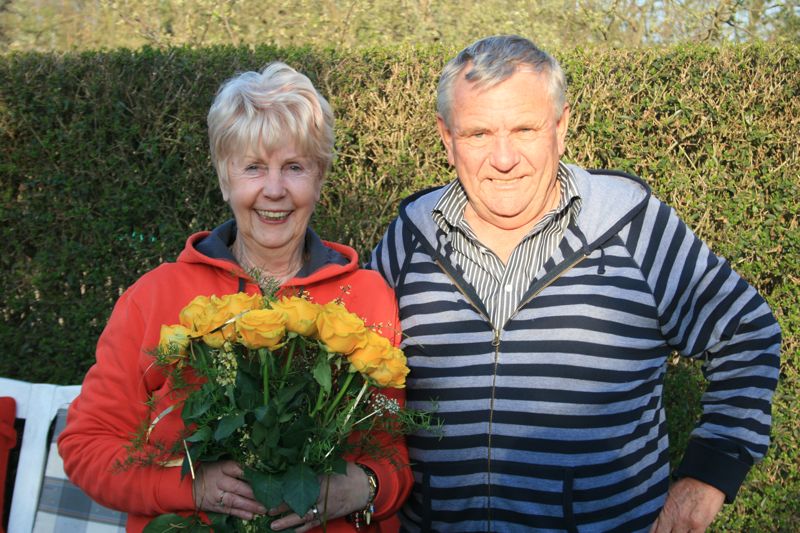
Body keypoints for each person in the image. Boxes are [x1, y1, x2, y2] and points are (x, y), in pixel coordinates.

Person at [367, 35, 781, 532]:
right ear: (446, 136)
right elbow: (351, 377)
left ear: (560, 127)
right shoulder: (411, 237)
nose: (503, 158)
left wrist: (708, 476)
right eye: (478, 134)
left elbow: (746, 332)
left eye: (525, 129)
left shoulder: (634, 227)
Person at [58, 62, 412, 533]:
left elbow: (392, 454)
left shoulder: (367, 297)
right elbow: (86, 445)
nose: (274, 190)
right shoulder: (156, 295)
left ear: (320, 177)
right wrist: (191, 488)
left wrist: (364, 486)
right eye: (253, 167)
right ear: (225, 177)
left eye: (294, 167)